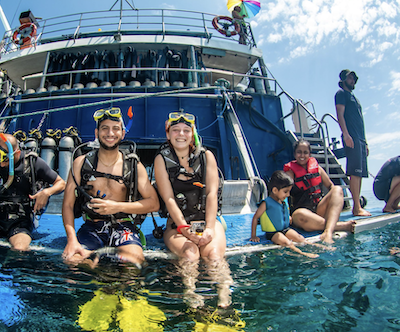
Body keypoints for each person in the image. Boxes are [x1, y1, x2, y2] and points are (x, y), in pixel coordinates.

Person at [61, 107, 159, 267]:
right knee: (73, 261)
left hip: (124, 226)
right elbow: (67, 204)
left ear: (123, 133)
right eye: (104, 128)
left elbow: (154, 203)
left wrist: (116, 207)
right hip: (92, 227)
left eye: (115, 129)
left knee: (134, 263)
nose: (110, 133)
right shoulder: (81, 163)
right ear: (96, 132)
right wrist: (71, 240)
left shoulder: (133, 165)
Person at [154, 111, 232, 308]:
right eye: (176, 130)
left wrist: (209, 229)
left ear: (193, 133)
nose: (181, 134)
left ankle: (224, 300)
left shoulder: (207, 157)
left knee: (213, 255)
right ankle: (191, 295)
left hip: (208, 222)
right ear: (168, 134)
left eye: (186, 130)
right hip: (178, 226)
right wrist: (183, 228)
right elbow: (168, 198)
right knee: (190, 254)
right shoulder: (161, 159)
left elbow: (212, 194)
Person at [0, 133, 66, 251]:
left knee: (19, 248)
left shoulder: (32, 162)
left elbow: (61, 183)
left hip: (21, 220)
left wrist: (47, 192)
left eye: (5, 159)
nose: (1, 163)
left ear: (15, 153)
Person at [250, 171, 335, 258]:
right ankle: (304, 254)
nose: (288, 194)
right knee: (286, 243)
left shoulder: (282, 201)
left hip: (285, 229)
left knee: (300, 238)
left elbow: (282, 212)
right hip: (273, 233)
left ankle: (320, 247)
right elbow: (255, 218)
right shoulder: (266, 203)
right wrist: (253, 235)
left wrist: (288, 217)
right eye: (285, 192)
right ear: (275, 190)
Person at [284, 140, 355, 244]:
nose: (302, 155)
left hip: (319, 209)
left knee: (337, 189)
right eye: (299, 152)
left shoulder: (317, 169)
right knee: (299, 214)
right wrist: (287, 214)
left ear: (309, 154)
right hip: (303, 214)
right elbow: (284, 195)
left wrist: (332, 203)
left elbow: (330, 186)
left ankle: (328, 231)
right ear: (294, 154)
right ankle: (339, 226)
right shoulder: (290, 172)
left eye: (305, 152)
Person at [335, 69, 371, 216]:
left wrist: (365, 142)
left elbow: (360, 122)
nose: (353, 81)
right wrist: (346, 134)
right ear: (344, 79)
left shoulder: (354, 98)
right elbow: (340, 114)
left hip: (360, 139)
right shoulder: (341, 94)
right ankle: (357, 208)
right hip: (352, 137)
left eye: (354, 79)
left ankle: (358, 206)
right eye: (350, 78)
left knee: (360, 173)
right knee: (354, 172)